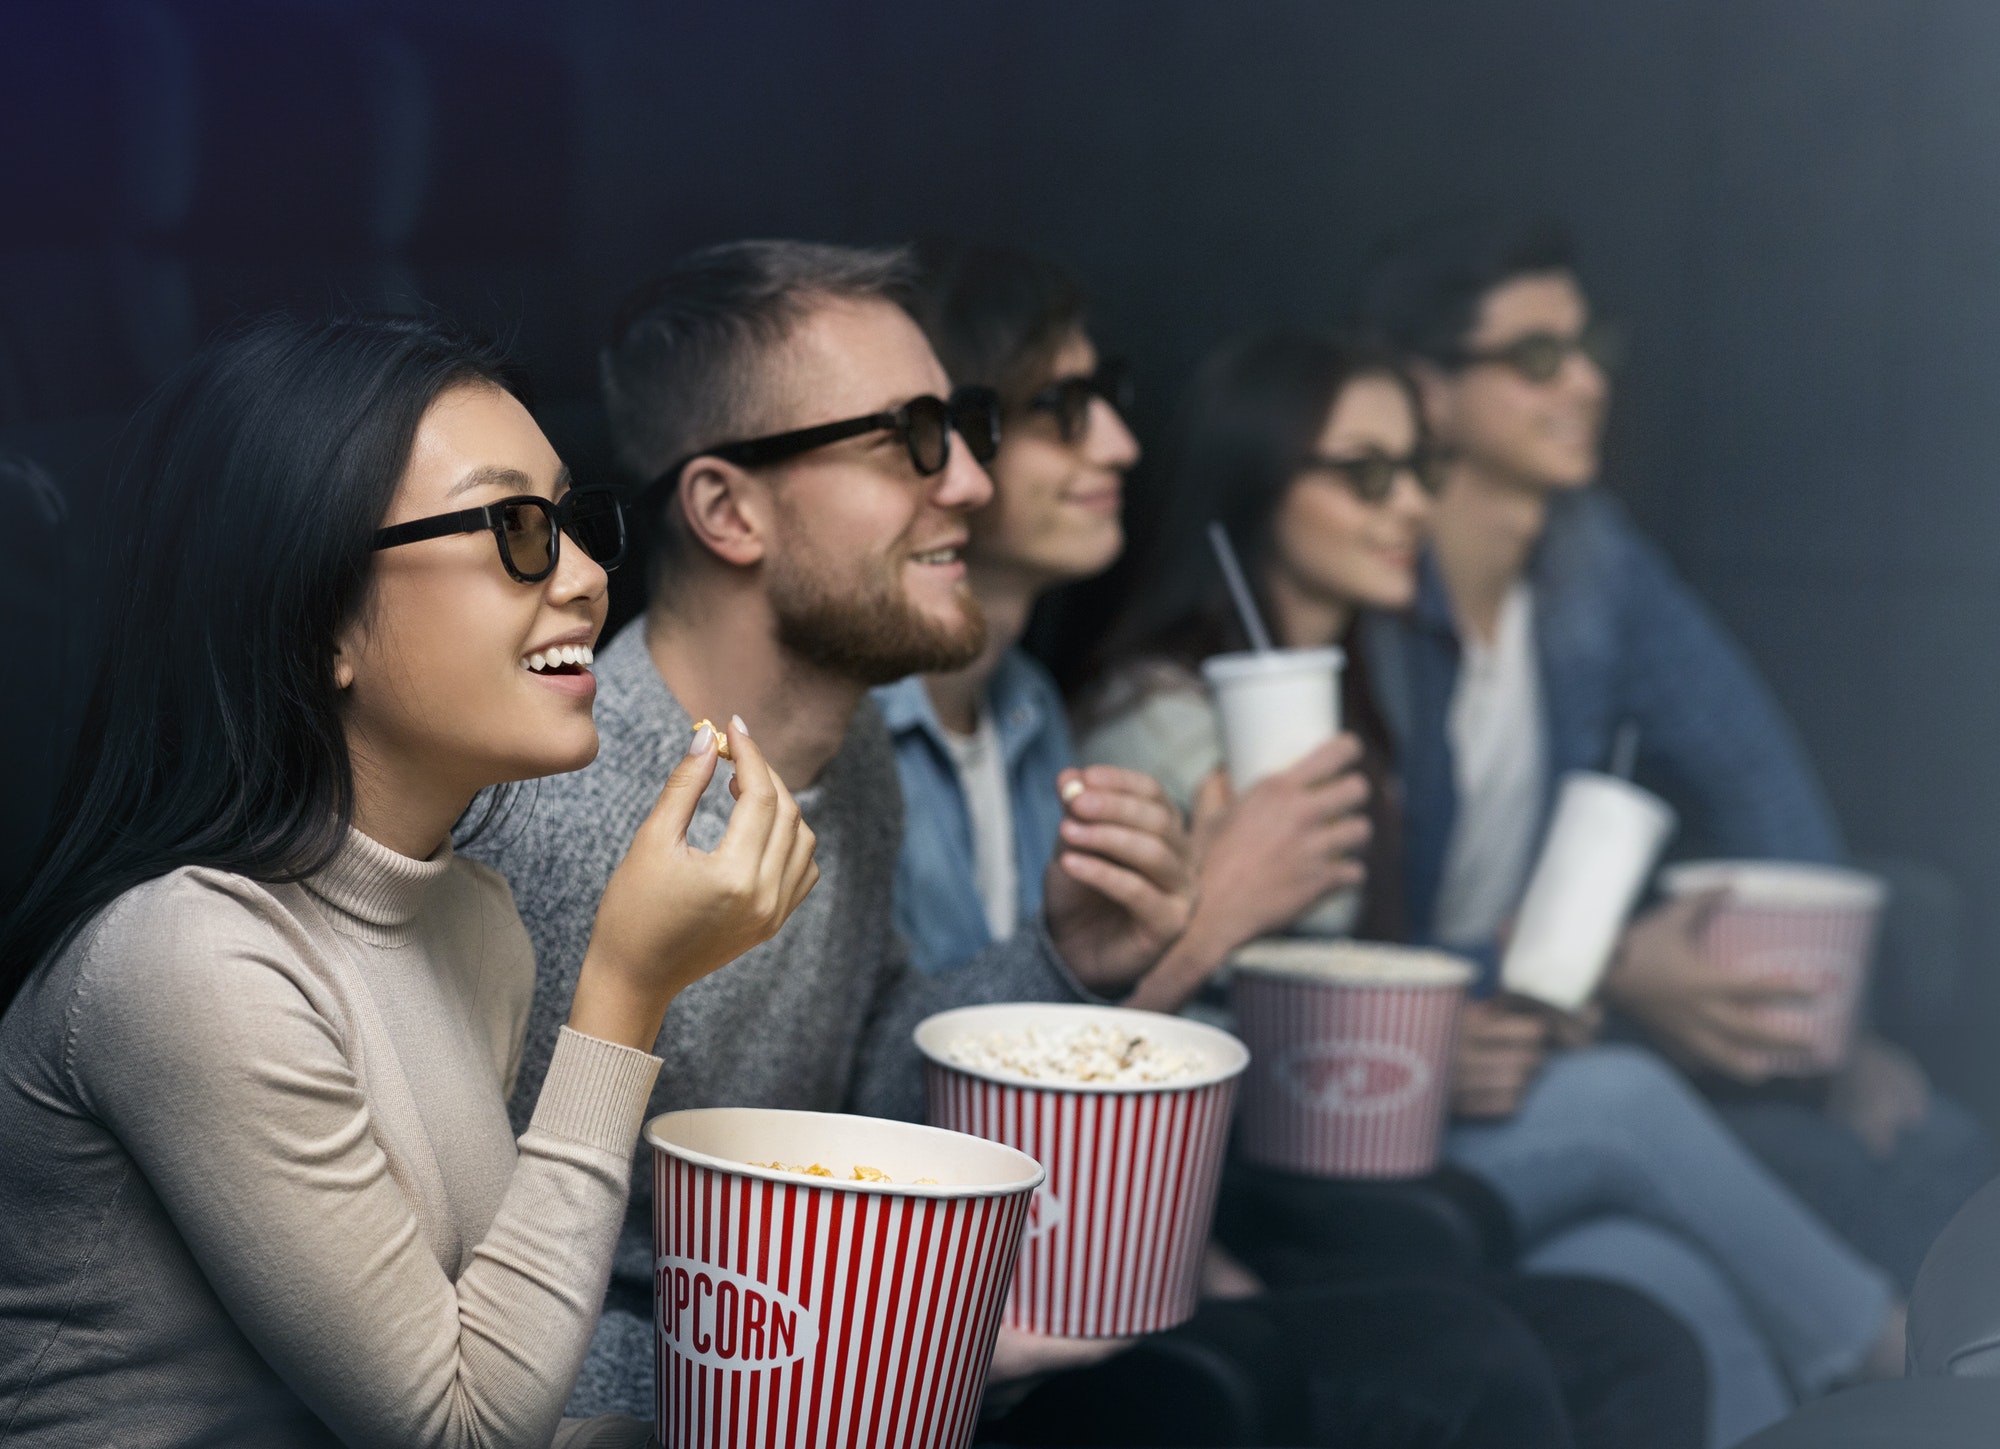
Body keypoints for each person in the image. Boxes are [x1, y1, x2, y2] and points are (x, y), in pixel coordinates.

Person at [472, 238, 1599, 1445]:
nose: (965, 479)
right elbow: (490, 1319)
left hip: (853, 1360)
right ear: (726, 510)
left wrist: (1066, 953)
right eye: (907, 439)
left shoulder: (843, 757)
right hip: (733, 1399)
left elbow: (868, 1096)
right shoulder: (570, 807)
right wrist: (905, 1361)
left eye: (958, 429)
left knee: (1565, 1333)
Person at [884, 240, 1705, 1449]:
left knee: (1631, 1300)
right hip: (1026, 1262)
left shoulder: (1031, 713)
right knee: (1599, 1156)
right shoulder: (1080, 722)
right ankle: (1895, 1345)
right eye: (1062, 412)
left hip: (1153, 1212)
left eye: (1415, 473)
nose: (1118, 440)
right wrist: (1221, 905)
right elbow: (943, 1092)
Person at [0, 314, 818, 1447]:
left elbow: (478, 1352)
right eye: (517, 529)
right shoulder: (186, 959)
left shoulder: (475, 925)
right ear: (322, 615)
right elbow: (461, 1433)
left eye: (573, 523)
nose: (586, 578)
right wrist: (626, 991)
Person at [1082, 328, 1905, 1447]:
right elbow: (1136, 1022)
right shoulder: (1162, 723)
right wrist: (1444, 1029)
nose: (1409, 506)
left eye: (1418, 470)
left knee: (1652, 1274)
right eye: (1365, 475)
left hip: (1367, 1128)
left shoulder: (1381, 699)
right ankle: (1894, 1353)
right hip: (1240, 1168)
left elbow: (1397, 951)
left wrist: (1483, 1010)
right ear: (1258, 486)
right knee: (1621, 1100)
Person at [1350, 208, 1991, 1290]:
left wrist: (1833, 1023)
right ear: (1428, 391)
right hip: (1417, 1067)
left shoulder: (1584, 554)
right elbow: (1319, 967)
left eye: (1590, 350)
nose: (1585, 386)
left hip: (1557, 1036)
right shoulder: (1362, 578)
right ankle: (1912, 1377)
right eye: (1535, 360)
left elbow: (1749, 762)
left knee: (1912, 1146)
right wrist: (1593, 968)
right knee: (1851, 1193)